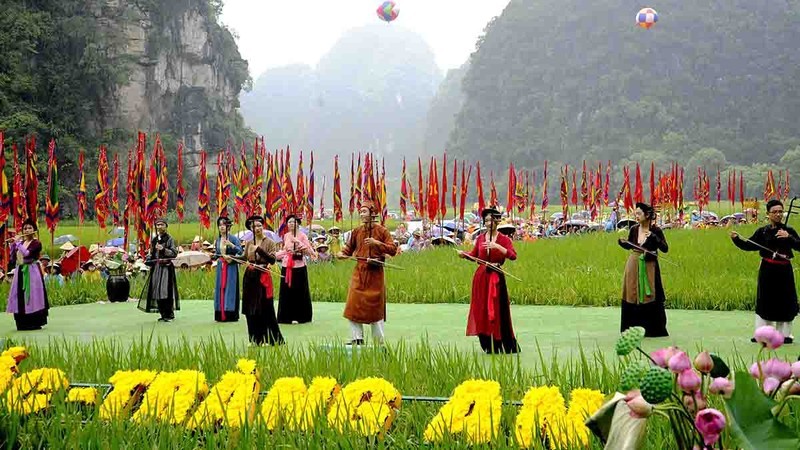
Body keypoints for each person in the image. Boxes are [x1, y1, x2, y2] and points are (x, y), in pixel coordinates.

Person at [731, 199, 800, 344]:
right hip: (767, 271)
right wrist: (736, 239)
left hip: (784, 270)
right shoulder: (762, 231)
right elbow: (748, 245)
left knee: (785, 301)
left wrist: (789, 238)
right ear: (768, 214)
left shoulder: (789, 231)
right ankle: (763, 334)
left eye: (780, 211)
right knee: (766, 300)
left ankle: (784, 335)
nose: (778, 214)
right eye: (774, 212)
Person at [459, 206, 520, 354]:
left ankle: (501, 342)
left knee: (497, 310)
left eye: (492, 220)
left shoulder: (504, 239)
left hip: (496, 276)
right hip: (481, 278)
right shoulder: (480, 238)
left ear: (497, 222)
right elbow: (475, 255)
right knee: (481, 309)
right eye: (486, 220)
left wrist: (497, 246)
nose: (489, 223)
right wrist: (464, 255)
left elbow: (512, 256)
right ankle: (487, 343)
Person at [336, 201, 398, 345]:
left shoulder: (382, 231)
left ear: (372, 213)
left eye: (364, 211)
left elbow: (393, 249)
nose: (362, 214)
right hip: (359, 272)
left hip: (375, 273)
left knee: (375, 309)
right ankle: (357, 338)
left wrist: (377, 243)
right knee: (353, 306)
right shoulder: (357, 231)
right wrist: (341, 254)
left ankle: (379, 342)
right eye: (361, 212)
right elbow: (348, 249)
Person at [617, 202, 669, 337]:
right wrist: (622, 243)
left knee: (650, 294)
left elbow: (665, 248)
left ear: (647, 215)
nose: (637, 216)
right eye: (636, 213)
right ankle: (632, 329)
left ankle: (652, 329)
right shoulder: (634, 229)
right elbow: (630, 246)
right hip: (633, 264)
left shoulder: (656, 230)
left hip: (649, 265)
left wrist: (653, 237)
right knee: (632, 293)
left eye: (639, 213)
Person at [242, 215, 284, 346]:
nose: (258, 228)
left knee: (264, 307)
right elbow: (243, 258)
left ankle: (270, 339)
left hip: (263, 276)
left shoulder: (270, 242)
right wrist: (230, 256)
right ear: (251, 229)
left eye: (260, 225)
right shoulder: (248, 243)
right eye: (254, 226)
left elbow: (272, 260)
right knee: (250, 308)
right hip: (250, 277)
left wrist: (259, 249)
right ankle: (255, 339)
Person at [5, 219, 49, 331]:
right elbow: (14, 258)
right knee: (19, 295)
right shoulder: (22, 242)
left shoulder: (36, 243)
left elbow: (27, 253)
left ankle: (33, 323)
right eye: (25, 228)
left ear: (34, 230)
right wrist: (13, 245)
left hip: (32, 271)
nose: (27, 230)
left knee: (33, 296)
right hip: (20, 271)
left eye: (29, 228)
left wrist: (18, 243)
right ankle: (21, 323)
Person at [138, 218, 179, 322]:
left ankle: (169, 315)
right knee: (156, 291)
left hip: (166, 268)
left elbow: (174, 253)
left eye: (161, 225)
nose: (159, 227)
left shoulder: (170, 239)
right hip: (156, 268)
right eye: (158, 225)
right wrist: (148, 258)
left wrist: (163, 249)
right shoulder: (155, 239)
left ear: (166, 226)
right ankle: (162, 313)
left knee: (165, 291)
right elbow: (152, 253)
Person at [276, 214, 315, 324]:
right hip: (287, 264)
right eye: (289, 222)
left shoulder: (302, 235)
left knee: (300, 291)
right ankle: (285, 316)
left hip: (299, 266)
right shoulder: (286, 236)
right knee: (286, 291)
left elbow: (309, 251)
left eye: (293, 222)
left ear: (298, 223)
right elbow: (285, 250)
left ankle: (302, 316)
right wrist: (276, 254)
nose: (291, 224)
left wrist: (298, 243)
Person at [214, 216, 243, 322]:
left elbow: (240, 252)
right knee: (220, 287)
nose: (222, 227)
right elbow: (217, 253)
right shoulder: (218, 240)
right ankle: (220, 312)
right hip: (221, 266)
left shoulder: (234, 239)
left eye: (224, 225)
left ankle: (230, 313)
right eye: (220, 225)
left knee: (230, 287)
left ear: (228, 227)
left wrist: (231, 245)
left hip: (231, 266)